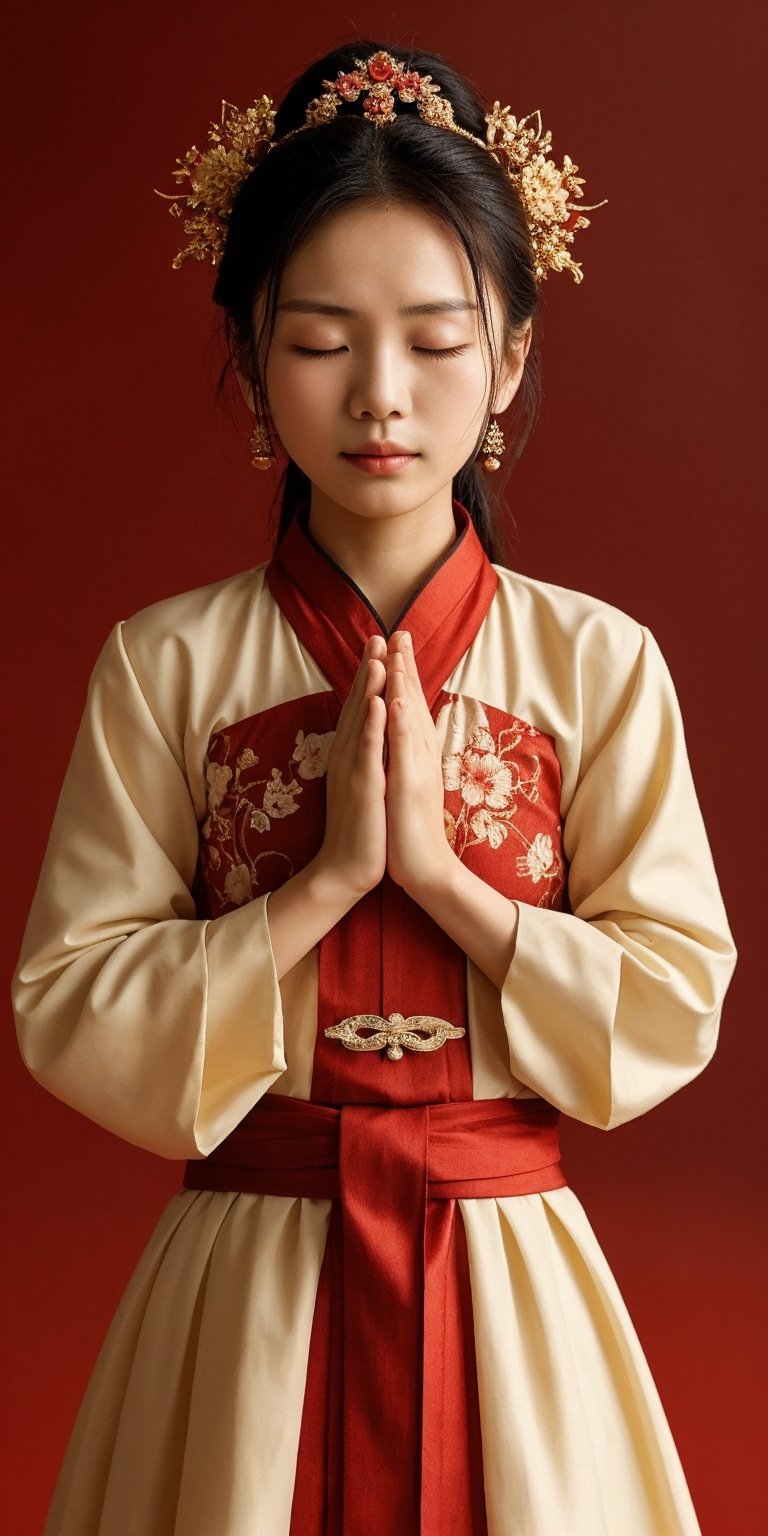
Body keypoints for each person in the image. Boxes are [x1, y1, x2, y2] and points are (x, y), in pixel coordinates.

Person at [11, 38, 737, 1536]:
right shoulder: (165, 666)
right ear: (256, 350)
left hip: (504, 1263)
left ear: (514, 356)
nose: (383, 397)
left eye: (436, 337)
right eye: (325, 339)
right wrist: (328, 882)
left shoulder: (598, 667)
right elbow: (70, 1006)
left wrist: (451, 887)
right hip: (247, 1278)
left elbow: (674, 995)